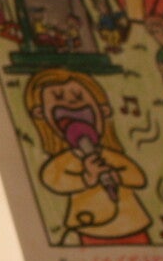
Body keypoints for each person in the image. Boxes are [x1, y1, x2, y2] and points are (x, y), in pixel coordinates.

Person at [24, 68, 151, 245]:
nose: (70, 102)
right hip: (92, 227)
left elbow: (138, 177)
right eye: (59, 98)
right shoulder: (63, 162)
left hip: (132, 225)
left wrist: (117, 176)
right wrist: (87, 178)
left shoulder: (110, 155)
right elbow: (52, 179)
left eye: (78, 97)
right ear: (41, 115)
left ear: (104, 110)